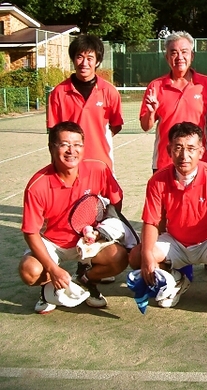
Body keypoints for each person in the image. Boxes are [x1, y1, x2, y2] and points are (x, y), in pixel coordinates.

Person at [129, 122, 207, 310]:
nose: (184, 155)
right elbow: (151, 222)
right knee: (138, 256)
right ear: (169, 150)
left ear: (201, 151)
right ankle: (176, 280)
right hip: (174, 242)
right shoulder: (157, 180)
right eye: (178, 148)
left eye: (191, 149)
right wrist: (147, 256)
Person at [20, 121, 129, 314]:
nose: (72, 150)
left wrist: (101, 228)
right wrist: (52, 268)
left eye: (77, 144)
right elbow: (31, 232)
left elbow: (116, 200)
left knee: (119, 257)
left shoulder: (98, 169)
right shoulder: (37, 186)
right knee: (30, 271)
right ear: (51, 147)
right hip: (52, 243)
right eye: (64, 144)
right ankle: (48, 289)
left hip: (86, 239)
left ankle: (86, 279)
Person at [140, 31, 207, 173]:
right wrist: (151, 113)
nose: (179, 57)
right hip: (164, 164)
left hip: (199, 162)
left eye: (184, 52)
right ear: (167, 57)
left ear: (192, 56)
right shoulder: (155, 86)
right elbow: (145, 126)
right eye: (174, 53)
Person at [47, 34, 123, 172]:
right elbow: (53, 132)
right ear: (73, 59)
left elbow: (116, 126)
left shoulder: (110, 91)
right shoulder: (58, 93)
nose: (84, 63)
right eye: (80, 57)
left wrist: (96, 139)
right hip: (69, 165)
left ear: (97, 61)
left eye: (90, 58)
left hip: (100, 164)